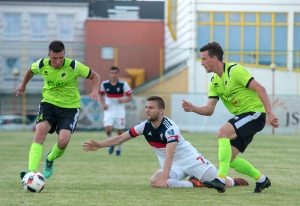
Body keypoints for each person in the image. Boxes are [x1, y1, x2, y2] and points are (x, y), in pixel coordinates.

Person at [83, 96, 249, 188]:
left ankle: (233, 180)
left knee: (223, 184)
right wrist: (99, 144)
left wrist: (165, 178)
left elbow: (169, 155)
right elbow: (120, 138)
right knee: (154, 181)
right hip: (175, 166)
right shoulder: (144, 127)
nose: (147, 110)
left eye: (151, 108)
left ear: (161, 110)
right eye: (146, 107)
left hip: (190, 160)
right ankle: (195, 184)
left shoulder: (171, 128)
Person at [182, 42, 279, 193]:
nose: (201, 63)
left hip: (254, 114)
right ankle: (261, 179)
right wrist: (193, 108)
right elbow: (209, 109)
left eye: (203, 59)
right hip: (243, 117)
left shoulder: (235, 71)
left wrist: (270, 113)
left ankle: (220, 179)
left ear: (214, 59)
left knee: (222, 132)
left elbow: (261, 89)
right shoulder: (214, 82)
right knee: (230, 159)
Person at [15, 40, 100, 179]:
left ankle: (50, 158)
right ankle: (31, 172)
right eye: (55, 58)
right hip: (48, 104)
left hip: (69, 107)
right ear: (49, 55)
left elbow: (94, 76)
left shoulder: (73, 65)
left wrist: (95, 90)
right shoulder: (42, 64)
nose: (58, 61)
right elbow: (30, 70)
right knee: (39, 133)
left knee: (63, 141)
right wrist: (23, 84)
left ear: (64, 54)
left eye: (61, 58)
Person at [99, 66, 133, 156]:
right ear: (109, 74)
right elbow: (101, 96)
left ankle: (118, 149)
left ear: (118, 74)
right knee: (108, 130)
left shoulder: (123, 84)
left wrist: (123, 100)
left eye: (115, 73)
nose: (113, 75)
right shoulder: (104, 84)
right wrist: (103, 104)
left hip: (119, 112)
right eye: (112, 73)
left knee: (119, 133)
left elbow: (130, 97)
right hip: (109, 111)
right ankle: (112, 144)